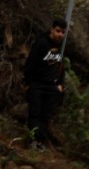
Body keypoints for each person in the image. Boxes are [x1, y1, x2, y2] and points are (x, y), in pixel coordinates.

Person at [23, 18, 67, 149]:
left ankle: (40, 142)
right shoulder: (41, 43)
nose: (60, 35)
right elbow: (30, 63)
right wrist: (28, 82)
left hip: (52, 86)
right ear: (52, 29)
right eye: (58, 31)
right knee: (35, 113)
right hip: (37, 84)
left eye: (63, 32)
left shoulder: (61, 46)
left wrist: (60, 84)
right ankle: (33, 140)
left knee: (46, 115)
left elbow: (61, 65)